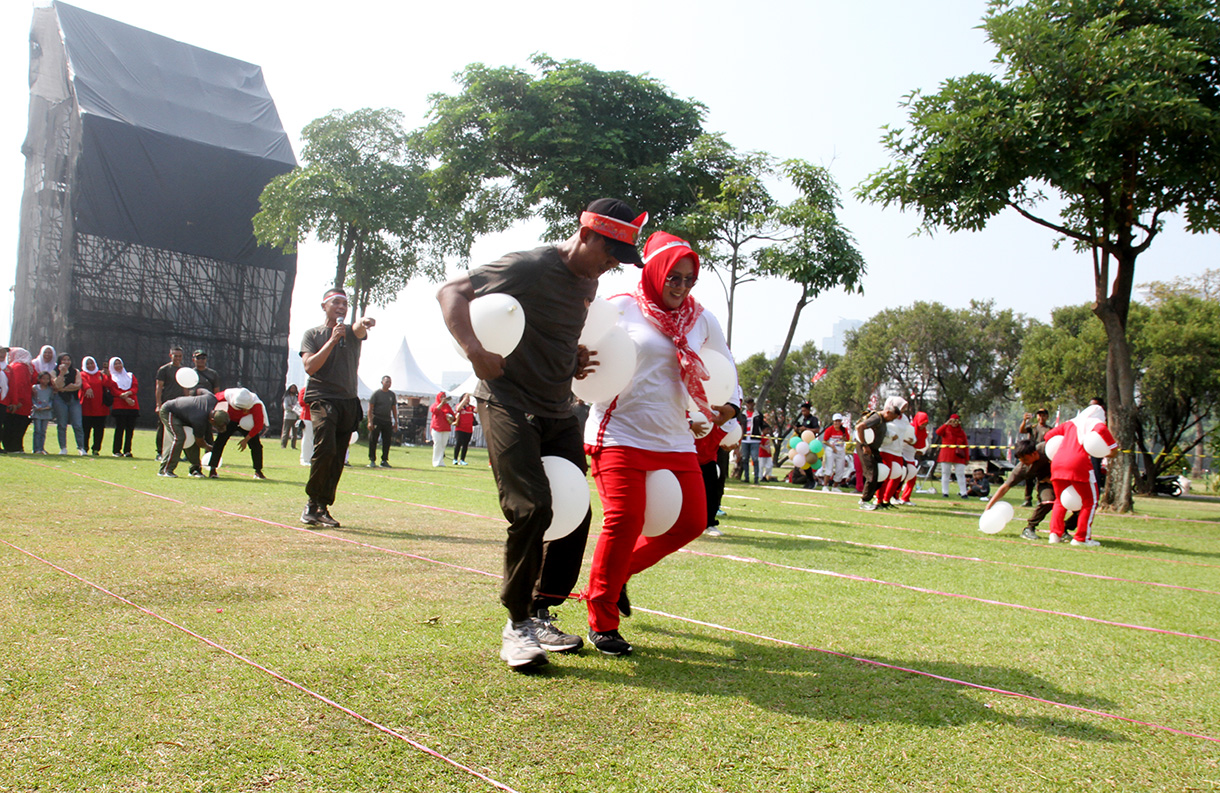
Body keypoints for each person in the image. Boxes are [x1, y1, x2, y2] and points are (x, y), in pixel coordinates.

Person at [436, 196, 645, 669]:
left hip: (557, 408)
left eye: (621, 257)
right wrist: (473, 351)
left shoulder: (589, 286)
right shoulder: (531, 265)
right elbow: (450, 291)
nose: (613, 263)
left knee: (575, 514)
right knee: (532, 508)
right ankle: (516, 625)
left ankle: (540, 609)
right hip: (506, 399)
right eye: (609, 250)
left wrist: (570, 359)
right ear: (586, 232)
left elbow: (550, 331)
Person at [583, 230, 734, 656]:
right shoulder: (620, 306)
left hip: (675, 436)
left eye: (689, 279)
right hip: (620, 432)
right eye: (674, 278)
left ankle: (615, 578)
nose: (682, 288)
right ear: (654, 272)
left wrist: (729, 407)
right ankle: (603, 620)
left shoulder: (701, 318)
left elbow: (726, 366)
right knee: (624, 520)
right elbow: (582, 350)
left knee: (691, 521)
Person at [300, 288, 375, 527]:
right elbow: (310, 367)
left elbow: (359, 328)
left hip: (347, 401)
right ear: (324, 306)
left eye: (345, 303)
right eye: (336, 303)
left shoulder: (351, 332)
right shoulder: (312, 334)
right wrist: (332, 340)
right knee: (325, 448)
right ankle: (311, 503)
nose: (342, 307)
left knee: (338, 455)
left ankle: (323, 506)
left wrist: (363, 321)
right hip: (323, 397)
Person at [1044, 404, 1118, 547]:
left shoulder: (1070, 423)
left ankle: (1054, 534)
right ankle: (1081, 538)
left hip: (1058, 463)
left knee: (1059, 500)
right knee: (1090, 501)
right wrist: (1110, 452)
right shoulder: (1097, 424)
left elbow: (1048, 436)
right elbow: (1111, 446)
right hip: (1079, 464)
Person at [985, 438, 1077, 541]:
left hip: (1066, 481)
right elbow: (1004, 487)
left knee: (1080, 506)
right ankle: (1029, 528)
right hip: (1046, 484)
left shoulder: (1047, 447)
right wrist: (988, 508)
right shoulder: (1022, 469)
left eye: (1025, 459)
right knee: (1048, 501)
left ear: (1034, 454)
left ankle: (1064, 528)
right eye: (1021, 460)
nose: (1024, 463)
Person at [158, 391, 229, 478]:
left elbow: (200, 390)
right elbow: (200, 442)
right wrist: (208, 447)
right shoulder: (199, 420)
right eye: (216, 425)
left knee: (191, 439)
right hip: (170, 411)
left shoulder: (212, 399)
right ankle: (165, 470)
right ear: (212, 420)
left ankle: (195, 469)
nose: (214, 427)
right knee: (179, 438)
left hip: (186, 415)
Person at [208, 387, 268, 479]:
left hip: (247, 421)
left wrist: (246, 440)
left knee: (256, 445)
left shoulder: (256, 404)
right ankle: (212, 470)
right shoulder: (228, 394)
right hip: (230, 420)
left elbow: (258, 425)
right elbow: (211, 399)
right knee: (219, 442)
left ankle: (258, 471)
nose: (240, 409)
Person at [855, 401, 902, 510]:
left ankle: (873, 498)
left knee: (883, 472)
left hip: (874, 449)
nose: (892, 420)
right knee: (872, 474)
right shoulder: (877, 418)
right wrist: (864, 445)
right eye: (892, 418)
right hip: (866, 448)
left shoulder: (883, 420)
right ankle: (864, 501)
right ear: (888, 412)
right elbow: (860, 427)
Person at [154, 346, 187, 460]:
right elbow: (159, 388)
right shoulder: (164, 369)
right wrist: (158, 405)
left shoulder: (184, 371)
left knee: (179, 429)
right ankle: (160, 453)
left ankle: (176, 454)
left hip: (180, 405)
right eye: (175, 356)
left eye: (180, 356)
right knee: (163, 428)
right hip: (166, 404)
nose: (177, 358)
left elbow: (186, 388)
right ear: (170, 355)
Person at [877, 398, 910, 507]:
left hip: (898, 450)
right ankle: (879, 500)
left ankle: (887, 499)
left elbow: (906, 431)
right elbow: (881, 426)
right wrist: (890, 434)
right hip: (886, 448)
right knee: (884, 475)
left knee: (899, 475)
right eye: (902, 406)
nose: (904, 409)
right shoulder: (887, 414)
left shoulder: (904, 418)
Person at [52, 353, 86, 455]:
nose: (66, 362)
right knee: (62, 424)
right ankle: (63, 448)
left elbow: (77, 385)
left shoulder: (75, 372)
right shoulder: (54, 372)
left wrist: (64, 388)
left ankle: (81, 447)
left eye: (68, 359)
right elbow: (57, 385)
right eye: (64, 360)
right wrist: (62, 374)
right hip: (60, 399)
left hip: (74, 399)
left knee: (77, 425)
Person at [2, 347, 34, 453]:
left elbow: (17, 385)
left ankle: (12, 447)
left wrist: (16, 401)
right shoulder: (27, 367)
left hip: (18, 401)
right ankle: (16, 446)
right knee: (17, 426)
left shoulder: (17, 367)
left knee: (13, 425)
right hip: (23, 400)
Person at [1018, 408, 1052, 506]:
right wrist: (1024, 421)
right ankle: (1027, 499)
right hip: (1031, 455)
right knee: (1029, 478)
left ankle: (1040, 499)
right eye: (1039, 415)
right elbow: (1022, 430)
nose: (1041, 417)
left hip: (1042, 456)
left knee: (1040, 479)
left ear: (1047, 417)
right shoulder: (1033, 427)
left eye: (1043, 415)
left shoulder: (1049, 429)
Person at [107, 357, 140, 457]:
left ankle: (127, 450)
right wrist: (124, 397)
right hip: (119, 405)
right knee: (119, 429)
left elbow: (135, 387)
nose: (118, 366)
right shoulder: (111, 377)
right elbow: (113, 389)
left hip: (132, 405)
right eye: (115, 364)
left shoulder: (130, 375)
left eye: (119, 363)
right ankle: (116, 450)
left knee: (130, 429)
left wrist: (129, 393)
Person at [79, 356, 109, 455]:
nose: (90, 365)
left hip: (100, 407)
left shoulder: (100, 374)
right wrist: (88, 388)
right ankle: (84, 447)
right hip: (87, 407)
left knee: (99, 430)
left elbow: (108, 384)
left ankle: (96, 449)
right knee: (85, 429)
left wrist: (108, 375)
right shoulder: (82, 374)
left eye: (92, 363)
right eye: (88, 364)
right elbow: (83, 382)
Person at [897, 411, 930, 504]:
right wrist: (908, 442)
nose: (923, 426)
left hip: (911, 456)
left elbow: (921, 445)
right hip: (903, 454)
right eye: (922, 423)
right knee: (901, 476)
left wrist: (920, 450)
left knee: (912, 478)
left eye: (925, 424)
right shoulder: (909, 428)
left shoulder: (923, 432)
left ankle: (906, 498)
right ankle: (895, 496)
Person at [935, 414, 971, 498]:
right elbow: (938, 432)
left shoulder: (961, 432)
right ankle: (945, 492)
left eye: (956, 421)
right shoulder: (946, 429)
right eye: (952, 421)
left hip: (959, 456)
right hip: (947, 455)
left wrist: (967, 458)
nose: (954, 423)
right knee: (945, 474)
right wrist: (946, 424)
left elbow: (965, 445)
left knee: (960, 474)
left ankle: (963, 493)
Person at [367, 376, 397, 468]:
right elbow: (370, 408)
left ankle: (384, 460)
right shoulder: (376, 394)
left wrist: (396, 421)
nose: (388, 384)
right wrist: (370, 421)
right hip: (377, 419)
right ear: (382, 382)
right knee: (373, 440)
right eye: (387, 382)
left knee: (387, 441)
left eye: (390, 382)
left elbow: (394, 409)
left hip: (387, 420)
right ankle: (372, 460)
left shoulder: (392, 395)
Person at [739, 399, 767, 483]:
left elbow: (763, 426)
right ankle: (746, 477)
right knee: (745, 459)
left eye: (751, 403)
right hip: (745, 439)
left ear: (754, 404)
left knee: (755, 459)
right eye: (748, 404)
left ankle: (756, 478)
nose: (749, 405)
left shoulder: (758, 414)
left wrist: (762, 434)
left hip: (755, 439)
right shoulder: (742, 414)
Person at [819, 413, 850, 491]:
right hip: (831, 450)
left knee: (840, 469)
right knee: (829, 468)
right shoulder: (829, 429)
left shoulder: (844, 430)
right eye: (836, 421)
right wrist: (832, 447)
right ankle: (825, 486)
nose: (837, 423)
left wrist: (844, 438)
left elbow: (847, 439)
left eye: (839, 421)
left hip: (840, 450)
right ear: (833, 421)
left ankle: (835, 486)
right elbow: (825, 441)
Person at [428, 392, 456, 467]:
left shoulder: (447, 406)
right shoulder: (435, 405)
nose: (443, 398)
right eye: (441, 397)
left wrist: (450, 417)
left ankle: (441, 461)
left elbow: (453, 416)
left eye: (444, 397)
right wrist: (441, 404)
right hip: (436, 427)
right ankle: (436, 461)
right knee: (437, 444)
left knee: (443, 445)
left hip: (445, 427)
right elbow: (435, 411)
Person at [31, 371, 55, 454]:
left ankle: (41, 448)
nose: (45, 381)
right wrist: (36, 406)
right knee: (37, 430)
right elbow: (33, 399)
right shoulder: (35, 388)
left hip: (46, 412)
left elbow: (52, 399)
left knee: (43, 431)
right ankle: (36, 449)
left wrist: (48, 406)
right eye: (43, 378)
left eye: (47, 379)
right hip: (37, 412)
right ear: (39, 379)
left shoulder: (50, 389)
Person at [452, 394, 476, 466]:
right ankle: (455, 459)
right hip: (460, 428)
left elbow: (477, 410)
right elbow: (458, 409)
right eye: (466, 398)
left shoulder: (471, 407)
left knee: (465, 445)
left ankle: (462, 459)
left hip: (468, 429)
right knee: (458, 443)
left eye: (468, 398)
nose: (467, 399)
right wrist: (464, 401)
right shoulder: (460, 406)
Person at [281, 384, 301, 449]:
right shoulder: (286, 398)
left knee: (294, 433)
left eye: (294, 388)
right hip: (287, 417)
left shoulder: (296, 398)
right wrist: (293, 408)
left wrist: (292, 407)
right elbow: (286, 407)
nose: (293, 390)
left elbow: (298, 407)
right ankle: (283, 445)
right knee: (286, 432)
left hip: (295, 417)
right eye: (292, 388)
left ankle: (293, 446)